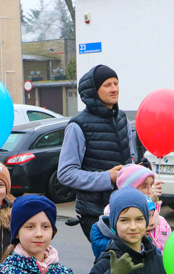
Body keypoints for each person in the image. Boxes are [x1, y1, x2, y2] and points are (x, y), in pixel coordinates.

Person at [58, 64, 136, 242]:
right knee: (109, 262)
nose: (114, 89)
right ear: (94, 90)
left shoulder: (122, 119)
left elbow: (130, 158)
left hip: (124, 208)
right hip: (95, 213)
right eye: (107, 85)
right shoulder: (78, 125)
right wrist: (107, 178)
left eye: (116, 84)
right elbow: (65, 173)